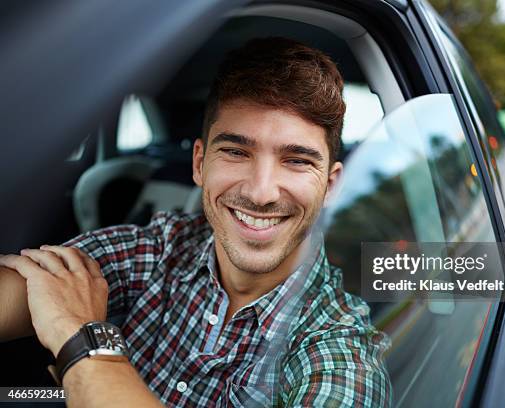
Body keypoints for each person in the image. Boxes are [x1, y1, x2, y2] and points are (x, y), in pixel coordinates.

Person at [0, 37, 391, 407]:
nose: (261, 192)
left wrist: (86, 342)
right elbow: (20, 290)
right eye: (237, 151)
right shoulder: (163, 246)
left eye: (297, 160)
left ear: (330, 185)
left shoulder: (342, 356)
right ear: (200, 163)